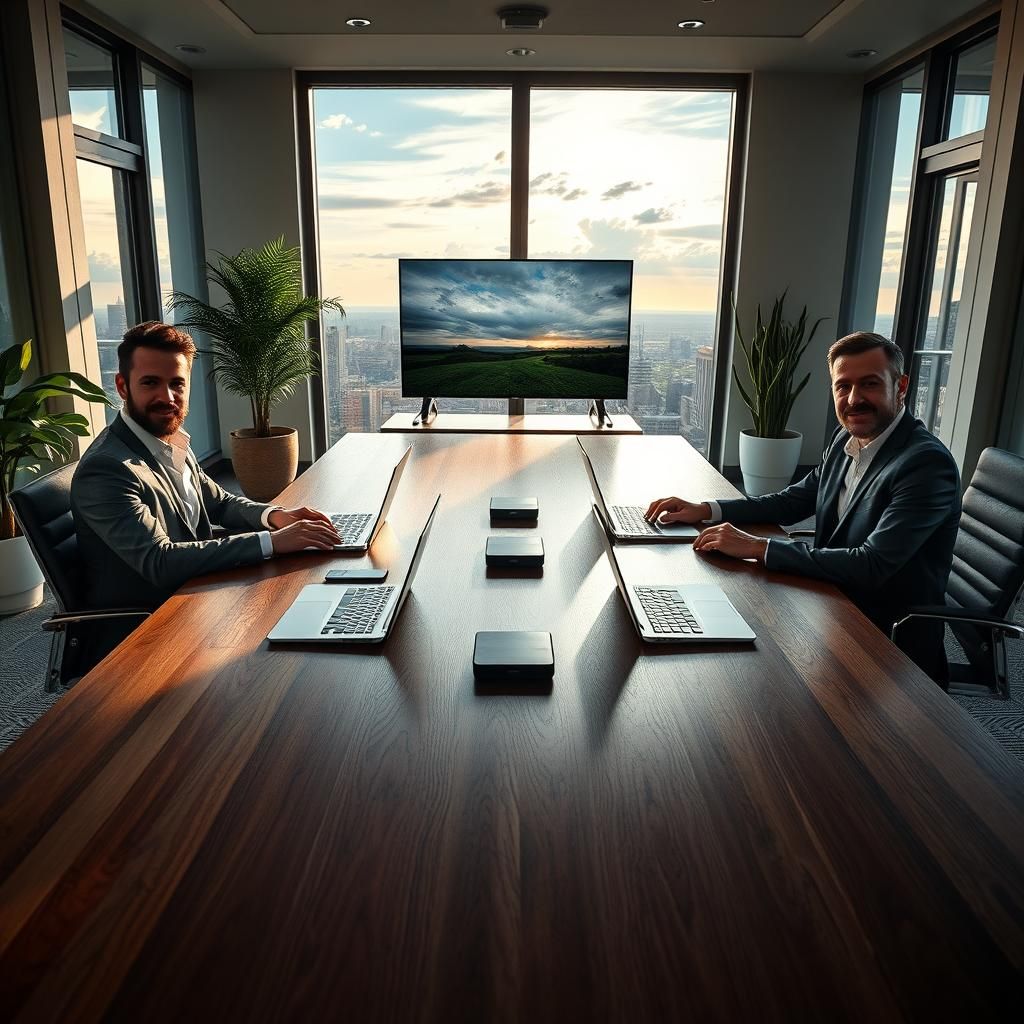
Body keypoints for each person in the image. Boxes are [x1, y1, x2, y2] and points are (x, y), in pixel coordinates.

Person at [645, 331, 961, 684]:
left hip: (884, 641)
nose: (854, 399)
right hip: (830, 606)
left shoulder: (926, 465)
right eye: (843, 386)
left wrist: (757, 547)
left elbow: (872, 565)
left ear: (900, 386)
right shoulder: (848, 438)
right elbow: (791, 502)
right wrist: (706, 510)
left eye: (870, 384)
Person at [72, 322, 341, 660]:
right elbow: (160, 561)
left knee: (312, 612)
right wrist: (273, 542)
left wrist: (274, 516)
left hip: (197, 595)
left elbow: (218, 502)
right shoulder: (108, 469)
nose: (167, 397)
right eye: (151, 383)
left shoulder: (169, 441)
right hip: (149, 627)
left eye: (177, 384)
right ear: (123, 386)